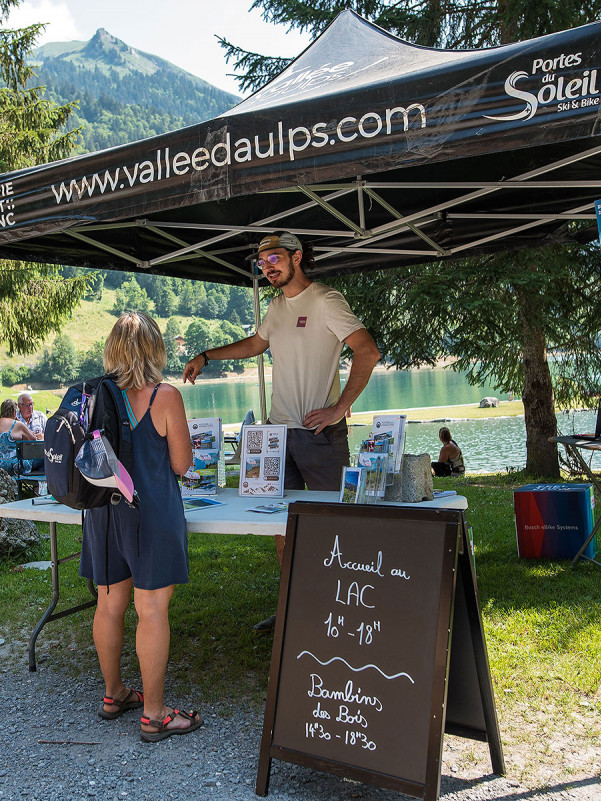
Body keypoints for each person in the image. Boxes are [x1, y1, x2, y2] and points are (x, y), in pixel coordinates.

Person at [183, 231, 380, 631]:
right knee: (279, 524)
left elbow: (368, 350)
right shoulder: (275, 307)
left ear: (297, 256)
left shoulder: (326, 300)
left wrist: (339, 408)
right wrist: (206, 355)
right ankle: (293, 606)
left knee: (330, 521)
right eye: (262, 262)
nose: (267, 266)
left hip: (319, 436)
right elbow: (256, 345)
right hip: (277, 436)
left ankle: (336, 611)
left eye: (274, 258)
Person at [81, 311, 201, 743]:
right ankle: (154, 714)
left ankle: (114, 695)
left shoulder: (95, 394)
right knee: (151, 611)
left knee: (108, 606)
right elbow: (182, 464)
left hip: (103, 513)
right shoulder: (164, 396)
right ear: (156, 349)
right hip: (150, 514)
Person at [0, 399, 40, 475]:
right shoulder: (17, 424)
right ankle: (37, 485)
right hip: (10, 467)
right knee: (43, 460)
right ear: (14, 412)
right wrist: (19, 421)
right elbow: (33, 440)